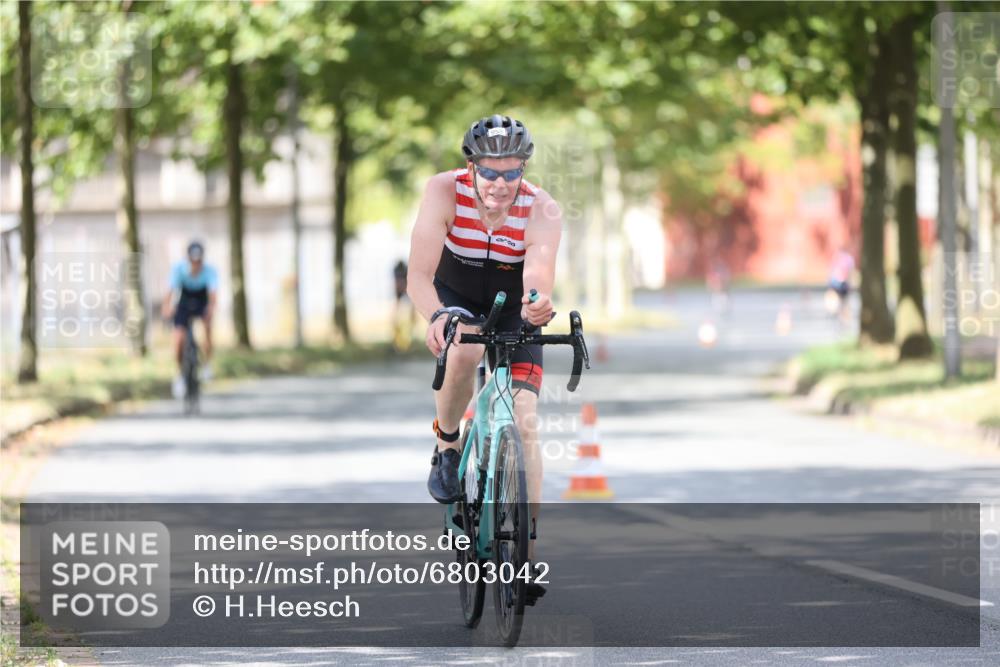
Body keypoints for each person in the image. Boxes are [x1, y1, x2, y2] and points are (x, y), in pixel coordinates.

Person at [406, 114, 562, 601]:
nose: (500, 184)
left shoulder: (542, 208)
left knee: (526, 417)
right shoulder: (442, 191)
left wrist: (537, 301)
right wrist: (436, 317)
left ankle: (526, 560)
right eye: (490, 172)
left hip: (511, 302)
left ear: (524, 170)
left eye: (511, 172)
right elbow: (418, 274)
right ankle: (447, 445)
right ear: (470, 166)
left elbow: (537, 273)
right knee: (467, 345)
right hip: (453, 291)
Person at [162, 241, 219, 398]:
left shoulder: (210, 271)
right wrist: (166, 307)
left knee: (207, 326)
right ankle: (180, 374)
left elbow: (213, 296)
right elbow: (170, 292)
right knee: (179, 338)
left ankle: (207, 364)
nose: (196, 264)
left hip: (202, 302)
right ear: (188, 259)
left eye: (198, 260)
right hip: (184, 303)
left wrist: (211, 309)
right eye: (193, 260)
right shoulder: (178, 269)